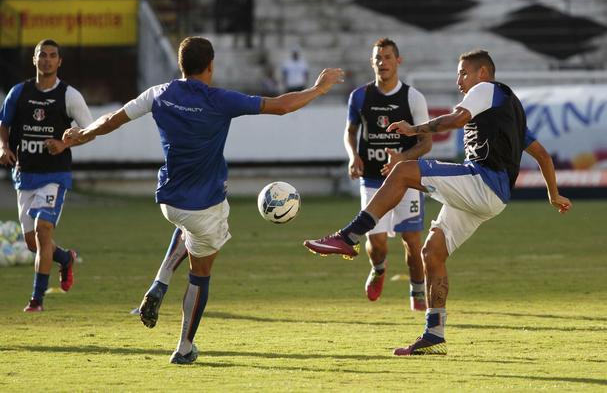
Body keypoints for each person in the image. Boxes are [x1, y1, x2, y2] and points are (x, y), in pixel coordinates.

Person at [63, 36, 344, 365]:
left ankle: (159, 282)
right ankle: (184, 346)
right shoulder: (219, 99)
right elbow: (280, 106)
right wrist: (318, 89)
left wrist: (83, 134)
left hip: (169, 201)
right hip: (204, 206)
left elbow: (113, 118)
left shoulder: (159, 94)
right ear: (211, 65)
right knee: (201, 274)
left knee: (186, 229)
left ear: (181, 65)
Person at [303, 49, 572, 356]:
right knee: (432, 251)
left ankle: (349, 235)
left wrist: (413, 128)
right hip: (491, 198)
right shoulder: (507, 109)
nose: (459, 79)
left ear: (483, 73)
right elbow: (543, 155)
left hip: (482, 183)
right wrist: (553, 194)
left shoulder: (486, 90)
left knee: (405, 170)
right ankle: (435, 334)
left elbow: (457, 120)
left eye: (463, 73)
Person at [0, 39, 90, 312]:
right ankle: (65, 258)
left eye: (53, 56)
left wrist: (64, 144)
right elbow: (3, 124)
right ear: (35, 60)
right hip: (25, 174)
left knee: (43, 230)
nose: (47, 60)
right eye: (43, 55)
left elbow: (90, 129)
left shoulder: (69, 95)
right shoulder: (18, 92)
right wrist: (3, 147)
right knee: (33, 243)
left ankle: (36, 300)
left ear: (59, 62)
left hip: (55, 174)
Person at [343, 38, 431, 309]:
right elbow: (350, 131)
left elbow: (425, 142)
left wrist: (401, 160)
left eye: (388, 57)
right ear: (372, 63)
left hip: (407, 179)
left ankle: (417, 292)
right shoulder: (359, 96)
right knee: (376, 242)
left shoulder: (413, 98)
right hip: (372, 178)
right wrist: (352, 155)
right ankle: (379, 269)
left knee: (413, 242)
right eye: (378, 58)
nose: (383, 62)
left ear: (398, 61)